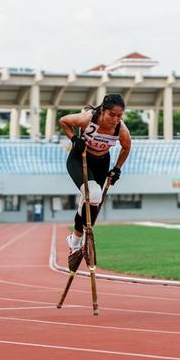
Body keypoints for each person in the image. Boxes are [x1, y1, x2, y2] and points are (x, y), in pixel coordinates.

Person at [58, 94, 132, 253]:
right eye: (111, 115)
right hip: (80, 159)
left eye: (119, 116)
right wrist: (74, 139)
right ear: (103, 111)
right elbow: (64, 121)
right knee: (93, 195)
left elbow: (126, 147)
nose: (115, 119)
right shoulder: (87, 119)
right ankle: (81, 238)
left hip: (101, 163)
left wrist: (117, 168)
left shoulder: (120, 129)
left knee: (93, 200)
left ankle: (74, 240)